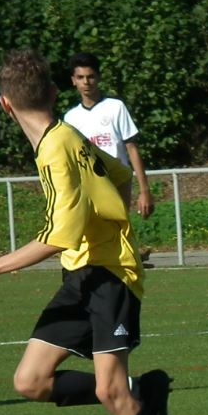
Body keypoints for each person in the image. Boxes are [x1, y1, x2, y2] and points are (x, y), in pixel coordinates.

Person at [0, 49, 198, 415]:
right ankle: (142, 392)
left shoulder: (57, 147)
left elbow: (59, 235)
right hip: (80, 277)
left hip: (109, 277)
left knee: (108, 391)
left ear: (5, 105)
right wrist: (112, 222)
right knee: (31, 381)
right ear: (52, 92)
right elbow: (119, 174)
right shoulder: (66, 135)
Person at [65, 52, 154, 259]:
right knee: (93, 234)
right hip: (89, 183)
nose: (86, 82)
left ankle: (129, 258)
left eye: (90, 76)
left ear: (98, 78)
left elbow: (132, 148)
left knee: (117, 227)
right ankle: (130, 257)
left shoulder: (115, 107)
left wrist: (144, 191)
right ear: (73, 81)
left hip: (117, 180)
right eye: (80, 77)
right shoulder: (71, 117)